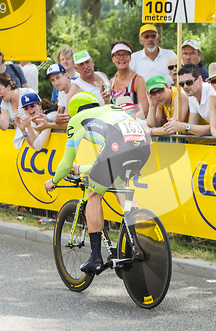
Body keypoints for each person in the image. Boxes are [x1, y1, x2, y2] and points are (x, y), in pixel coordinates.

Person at [44, 92, 151, 274]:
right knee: (120, 186)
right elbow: (103, 162)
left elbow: (66, 163)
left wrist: (54, 181)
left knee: (94, 195)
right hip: (144, 145)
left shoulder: (77, 119)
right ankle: (138, 238)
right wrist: (84, 169)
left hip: (118, 146)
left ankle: (95, 258)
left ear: (74, 110)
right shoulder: (111, 109)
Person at [163, 64, 212, 136]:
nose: (185, 87)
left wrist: (182, 126)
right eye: (182, 84)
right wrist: (175, 125)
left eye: (189, 82)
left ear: (200, 79)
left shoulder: (211, 93)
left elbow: (215, 129)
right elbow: (191, 127)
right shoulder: (192, 96)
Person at [109, 40, 148, 119]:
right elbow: (109, 109)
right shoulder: (111, 82)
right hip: (116, 126)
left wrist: (128, 121)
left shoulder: (138, 80)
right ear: (113, 59)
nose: (121, 58)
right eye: (118, 55)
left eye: (125, 55)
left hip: (135, 125)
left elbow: (144, 110)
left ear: (130, 57)